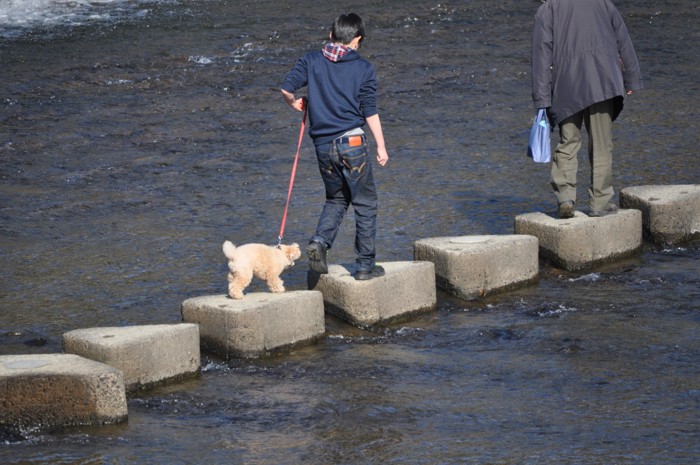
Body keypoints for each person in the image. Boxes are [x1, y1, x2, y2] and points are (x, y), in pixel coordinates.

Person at [281, 13, 389, 280]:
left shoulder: (311, 60)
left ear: (331, 35)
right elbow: (369, 111)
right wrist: (381, 146)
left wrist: (294, 103)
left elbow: (286, 88)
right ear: (357, 40)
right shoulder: (364, 68)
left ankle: (320, 241)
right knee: (365, 204)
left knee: (336, 198)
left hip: (323, 147)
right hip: (352, 143)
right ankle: (365, 266)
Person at [531, 0, 642, 218]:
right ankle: (600, 204)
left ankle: (565, 198)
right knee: (601, 143)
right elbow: (623, 39)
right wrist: (631, 79)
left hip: (566, 84)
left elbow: (541, 57)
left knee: (568, 142)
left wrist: (541, 99)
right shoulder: (603, 3)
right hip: (603, 78)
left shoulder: (548, 9)